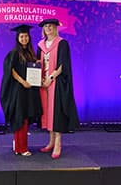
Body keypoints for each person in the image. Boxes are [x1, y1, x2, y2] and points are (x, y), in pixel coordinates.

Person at [36, 18, 79, 159]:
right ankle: (50, 141)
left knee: (56, 113)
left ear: (55, 28)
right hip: (43, 83)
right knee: (47, 113)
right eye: (46, 26)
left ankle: (58, 143)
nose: (48, 28)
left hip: (56, 83)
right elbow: (38, 63)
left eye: (51, 26)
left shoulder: (62, 43)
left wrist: (51, 78)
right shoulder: (41, 45)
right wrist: (40, 78)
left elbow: (63, 65)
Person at [0, 24, 42, 156]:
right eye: (21, 36)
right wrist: (23, 81)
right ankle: (21, 148)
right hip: (19, 90)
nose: (24, 38)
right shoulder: (14, 53)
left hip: (28, 91)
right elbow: (11, 71)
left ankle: (18, 145)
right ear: (18, 38)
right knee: (20, 118)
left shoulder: (30, 53)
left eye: (26, 36)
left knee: (24, 118)